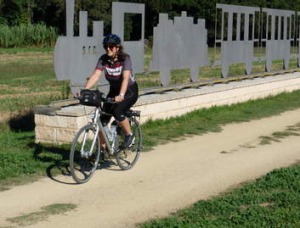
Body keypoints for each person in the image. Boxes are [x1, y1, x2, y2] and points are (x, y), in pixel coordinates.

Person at [85, 34, 139, 149]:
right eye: (106, 47)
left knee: (117, 111)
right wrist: (85, 90)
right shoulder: (103, 59)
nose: (108, 49)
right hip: (114, 90)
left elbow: (125, 79)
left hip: (129, 90)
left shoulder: (125, 59)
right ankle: (103, 149)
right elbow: (95, 76)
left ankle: (129, 136)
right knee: (102, 120)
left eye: (111, 47)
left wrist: (121, 95)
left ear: (118, 47)